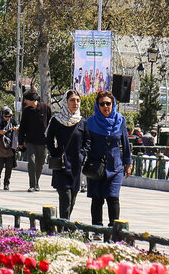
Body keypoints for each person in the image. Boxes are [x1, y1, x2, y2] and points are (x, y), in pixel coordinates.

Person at [82, 89, 132, 227]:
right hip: (96, 166)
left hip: (115, 166)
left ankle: (114, 229)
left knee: (113, 197)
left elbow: (125, 143)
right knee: (97, 198)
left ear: (113, 104)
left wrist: (128, 163)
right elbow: (85, 144)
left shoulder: (120, 120)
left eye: (108, 103)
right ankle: (97, 228)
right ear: (97, 106)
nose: (105, 107)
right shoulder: (90, 122)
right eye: (102, 104)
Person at [45, 89, 86, 220]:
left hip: (75, 165)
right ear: (65, 102)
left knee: (73, 196)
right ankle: (64, 227)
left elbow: (88, 141)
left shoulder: (82, 121)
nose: (75, 103)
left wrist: (82, 155)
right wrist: (55, 152)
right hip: (61, 165)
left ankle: (64, 223)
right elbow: (49, 138)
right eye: (72, 100)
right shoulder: (57, 120)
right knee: (65, 197)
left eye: (78, 100)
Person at [18, 90, 51, 192]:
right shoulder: (26, 111)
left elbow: (50, 124)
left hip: (42, 141)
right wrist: (20, 142)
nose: (25, 102)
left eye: (26, 99)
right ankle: (32, 184)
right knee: (31, 161)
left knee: (40, 163)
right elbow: (22, 127)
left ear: (33, 100)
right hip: (30, 141)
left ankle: (37, 183)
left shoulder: (46, 108)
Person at [0, 106, 18, 191]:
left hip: (9, 145)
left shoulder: (12, 121)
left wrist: (16, 129)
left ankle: (6, 183)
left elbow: (17, 127)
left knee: (9, 166)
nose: (8, 118)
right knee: (0, 165)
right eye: (6, 116)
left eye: (9, 116)